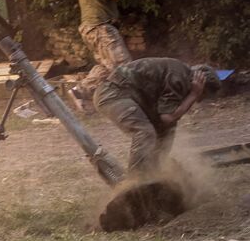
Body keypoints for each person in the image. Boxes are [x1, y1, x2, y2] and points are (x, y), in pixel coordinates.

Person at [93, 58, 221, 175]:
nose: (200, 100)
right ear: (200, 84)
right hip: (112, 93)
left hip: (127, 95)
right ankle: (136, 184)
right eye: (203, 95)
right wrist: (193, 94)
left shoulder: (182, 75)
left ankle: (156, 175)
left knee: (166, 133)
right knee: (145, 133)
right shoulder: (180, 77)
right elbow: (167, 117)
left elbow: (167, 122)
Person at [70, 0, 133, 112]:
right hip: (99, 27)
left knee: (105, 68)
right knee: (124, 65)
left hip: (92, 27)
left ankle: (79, 92)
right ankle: (129, 103)